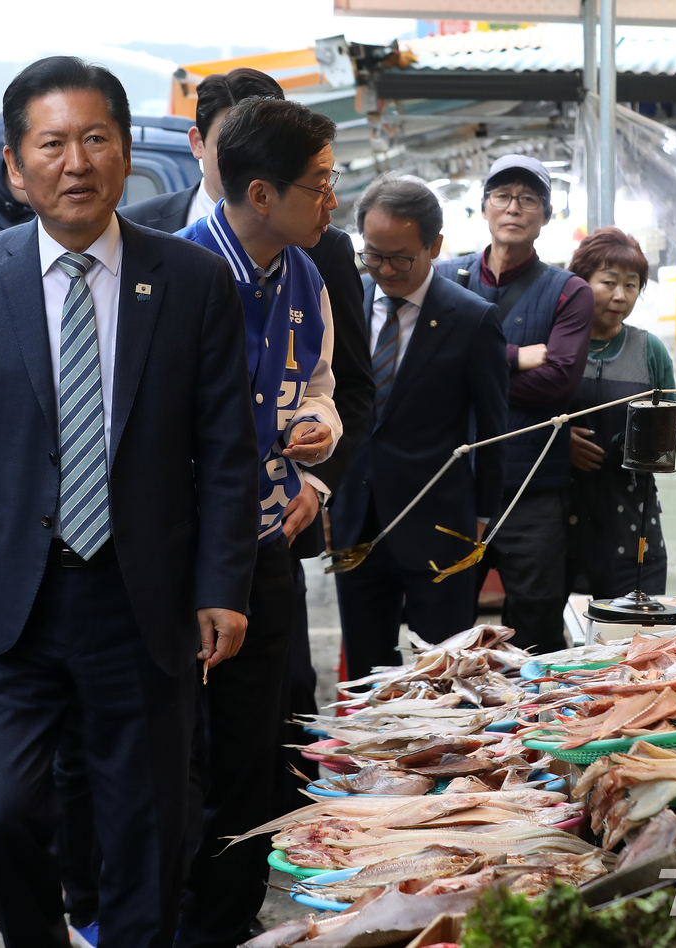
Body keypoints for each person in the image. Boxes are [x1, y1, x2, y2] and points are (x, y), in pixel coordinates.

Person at [0, 56, 258, 947]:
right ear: (16, 169)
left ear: (126, 154)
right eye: (52, 144)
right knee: (8, 812)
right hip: (8, 596)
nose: (77, 162)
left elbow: (225, 452)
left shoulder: (190, 279)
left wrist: (223, 585)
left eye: (97, 139)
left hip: (142, 595)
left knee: (146, 819)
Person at [175, 96, 341, 948]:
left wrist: (319, 442)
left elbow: (318, 385)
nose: (333, 199)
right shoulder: (180, 271)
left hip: (270, 544)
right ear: (263, 193)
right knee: (182, 756)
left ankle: (230, 921)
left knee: (252, 755)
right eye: (321, 184)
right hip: (185, 558)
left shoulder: (307, 274)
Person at [332, 175, 508, 680]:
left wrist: (482, 519)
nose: (385, 269)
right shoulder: (346, 300)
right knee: (366, 671)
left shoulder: (472, 319)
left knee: (440, 674)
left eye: (400, 258)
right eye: (373, 255)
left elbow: (492, 428)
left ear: (434, 245)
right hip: (356, 519)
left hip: (441, 525)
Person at [436, 154, 593, 654]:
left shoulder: (569, 291)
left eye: (529, 199)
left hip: (533, 490)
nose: (514, 208)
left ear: (545, 217)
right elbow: (422, 367)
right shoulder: (443, 277)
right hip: (453, 488)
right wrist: (512, 358)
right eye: (502, 196)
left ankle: (531, 730)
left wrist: (468, 373)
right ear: (483, 207)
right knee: (447, 632)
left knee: (535, 630)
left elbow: (558, 384)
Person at [564, 228, 675, 598]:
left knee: (631, 635)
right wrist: (558, 444)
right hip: (557, 513)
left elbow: (668, 436)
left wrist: (628, 446)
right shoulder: (556, 344)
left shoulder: (649, 351)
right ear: (580, 282)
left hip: (631, 515)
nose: (620, 296)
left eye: (631, 285)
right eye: (608, 282)